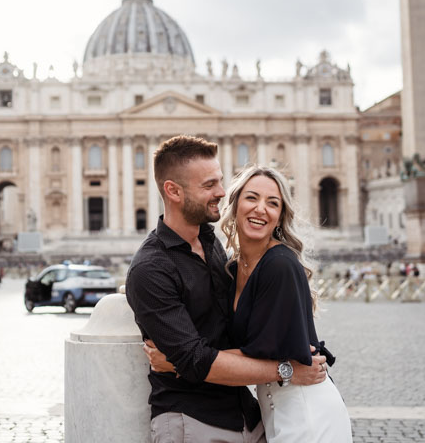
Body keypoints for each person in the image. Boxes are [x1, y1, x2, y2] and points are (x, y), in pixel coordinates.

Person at [126, 136, 328, 443]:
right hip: (192, 420)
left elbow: (240, 337)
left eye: (220, 181)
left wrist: (175, 362)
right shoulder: (151, 269)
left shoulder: (213, 245)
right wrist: (286, 370)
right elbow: (195, 359)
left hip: (248, 415)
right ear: (173, 191)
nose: (222, 192)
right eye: (209, 185)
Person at [215, 164, 352, 442]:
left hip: (308, 412)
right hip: (277, 410)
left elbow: (260, 358)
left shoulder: (279, 265)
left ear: (279, 217)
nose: (261, 209)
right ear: (235, 204)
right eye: (252, 198)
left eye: (272, 203)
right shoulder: (234, 267)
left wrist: (182, 361)